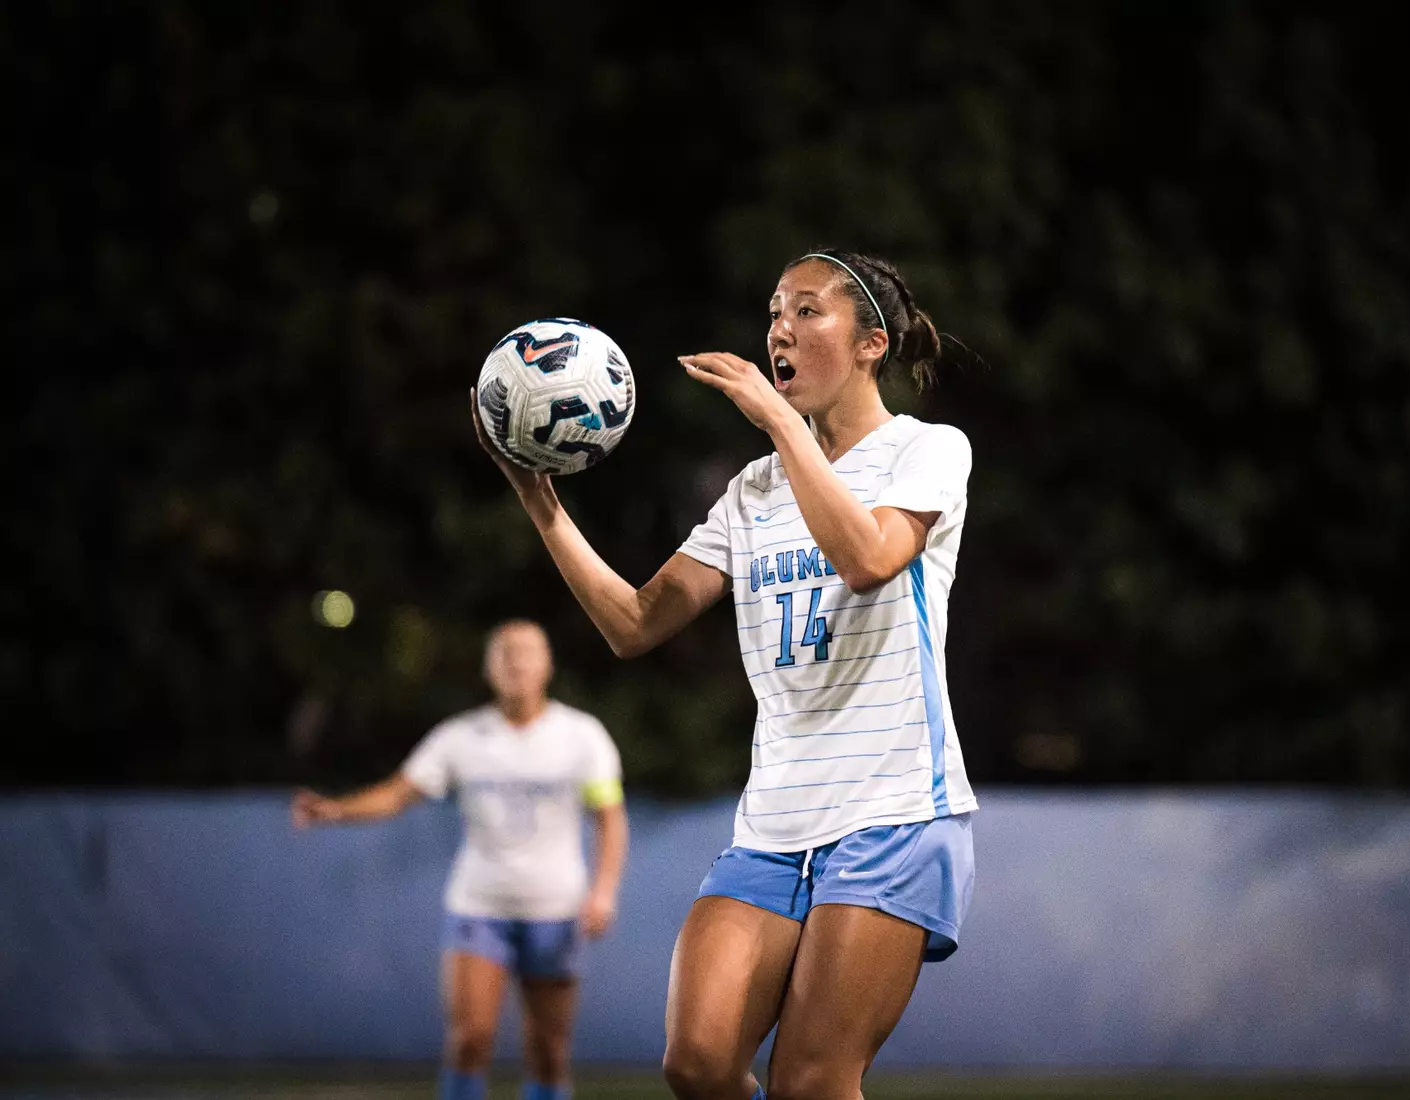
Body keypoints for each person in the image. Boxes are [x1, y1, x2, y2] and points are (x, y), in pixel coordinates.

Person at [471, 248, 977, 1100]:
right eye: (776, 311)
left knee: (814, 1082)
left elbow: (868, 558)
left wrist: (781, 426)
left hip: (895, 813)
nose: (780, 328)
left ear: (870, 345)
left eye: (809, 310)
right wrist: (540, 502)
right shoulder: (752, 493)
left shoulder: (926, 451)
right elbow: (634, 624)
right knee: (698, 1063)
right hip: (774, 819)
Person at [291, 619, 629, 1100]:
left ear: (548, 665)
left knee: (549, 1051)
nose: (516, 661)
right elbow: (397, 793)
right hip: (479, 906)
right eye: (504, 652)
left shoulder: (582, 736)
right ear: (488, 668)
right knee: (469, 1038)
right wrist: (334, 809)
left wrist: (604, 890)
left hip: (556, 910)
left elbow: (610, 818)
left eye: (528, 651)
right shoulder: (461, 737)